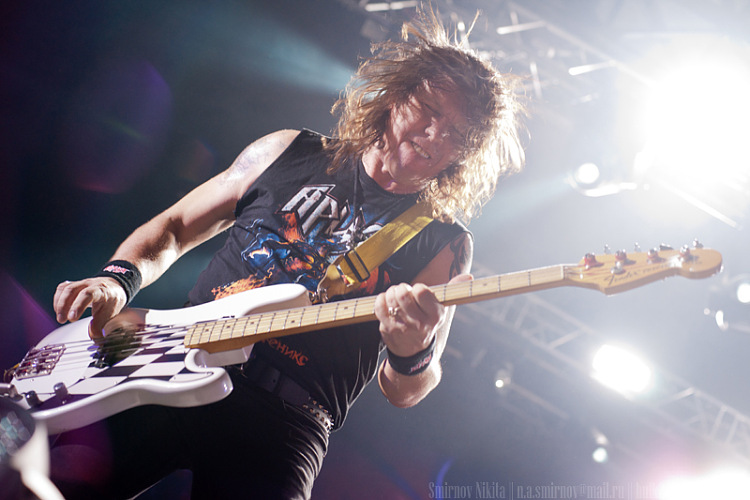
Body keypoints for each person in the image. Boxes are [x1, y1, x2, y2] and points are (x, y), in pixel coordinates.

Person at [49, 6, 525, 499]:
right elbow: (174, 228)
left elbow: (408, 390)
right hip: (172, 359)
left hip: (284, 424)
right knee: (54, 484)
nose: (436, 136)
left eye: (457, 135)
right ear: (394, 97)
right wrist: (117, 280)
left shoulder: (443, 241)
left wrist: (412, 350)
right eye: (430, 111)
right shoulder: (290, 150)